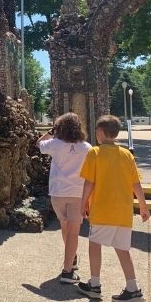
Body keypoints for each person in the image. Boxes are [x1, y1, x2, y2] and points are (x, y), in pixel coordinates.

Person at [77, 114, 150, 302]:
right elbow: (136, 183)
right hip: (123, 211)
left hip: (102, 208)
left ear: (100, 132)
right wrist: (143, 205)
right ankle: (133, 288)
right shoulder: (127, 155)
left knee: (94, 244)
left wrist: (83, 203)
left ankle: (94, 284)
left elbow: (89, 183)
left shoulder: (95, 153)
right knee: (123, 249)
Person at [37, 113, 92, 284]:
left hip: (58, 193)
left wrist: (51, 132)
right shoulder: (87, 147)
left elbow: (39, 144)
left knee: (64, 226)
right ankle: (67, 271)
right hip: (77, 193)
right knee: (74, 232)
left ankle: (71, 258)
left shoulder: (55, 144)